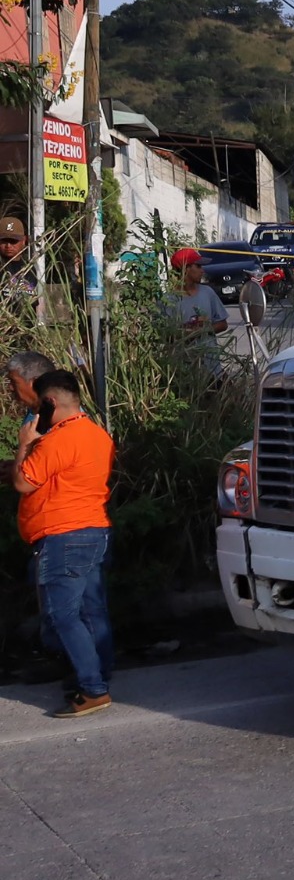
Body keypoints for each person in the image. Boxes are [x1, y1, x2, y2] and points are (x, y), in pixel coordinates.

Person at [12, 369, 116, 718]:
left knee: (63, 616)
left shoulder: (59, 439)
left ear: (49, 402)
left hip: (63, 535)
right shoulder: (97, 435)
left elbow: (24, 484)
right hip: (92, 530)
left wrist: (25, 442)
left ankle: (92, 688)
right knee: (92, 611)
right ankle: (100, 675)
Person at [166, 248, 230, 380]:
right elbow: (165, 334)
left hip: (212, 370)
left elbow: (223, 324)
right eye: (198, 266)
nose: (203, 270)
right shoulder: (169, 300)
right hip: (183, 372)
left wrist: (204, 329)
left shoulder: (208, 293)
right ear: (186, 268)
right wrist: (185, 333)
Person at [2, 350, 55, 481]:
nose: (10, 388)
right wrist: (12, 467)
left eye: (14, 382)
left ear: (35, 383)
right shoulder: (33, 412)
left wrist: (17, 474)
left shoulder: (60, 417)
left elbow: (50, 469)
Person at [0, 215, 36, 300]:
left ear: (24, 240)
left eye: (13, 241)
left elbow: (32, 302)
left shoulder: (29, 269)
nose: (8, 246)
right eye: (4, 241)